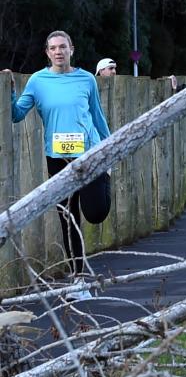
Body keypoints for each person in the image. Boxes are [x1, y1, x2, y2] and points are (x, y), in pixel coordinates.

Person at [5, 31, 112, 297]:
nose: (58, 52)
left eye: (62, 47)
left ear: (71, 49)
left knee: (96, 212)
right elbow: (16, 115)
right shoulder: (37, 81)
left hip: (89, 154)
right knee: (68, 217)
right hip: (57, 157)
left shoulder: (86, 79)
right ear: (47, 52)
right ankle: (79, 281)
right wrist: (9, 90)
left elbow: (97, 117)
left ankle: (105, 178)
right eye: (53, 48)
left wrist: (111, 150)